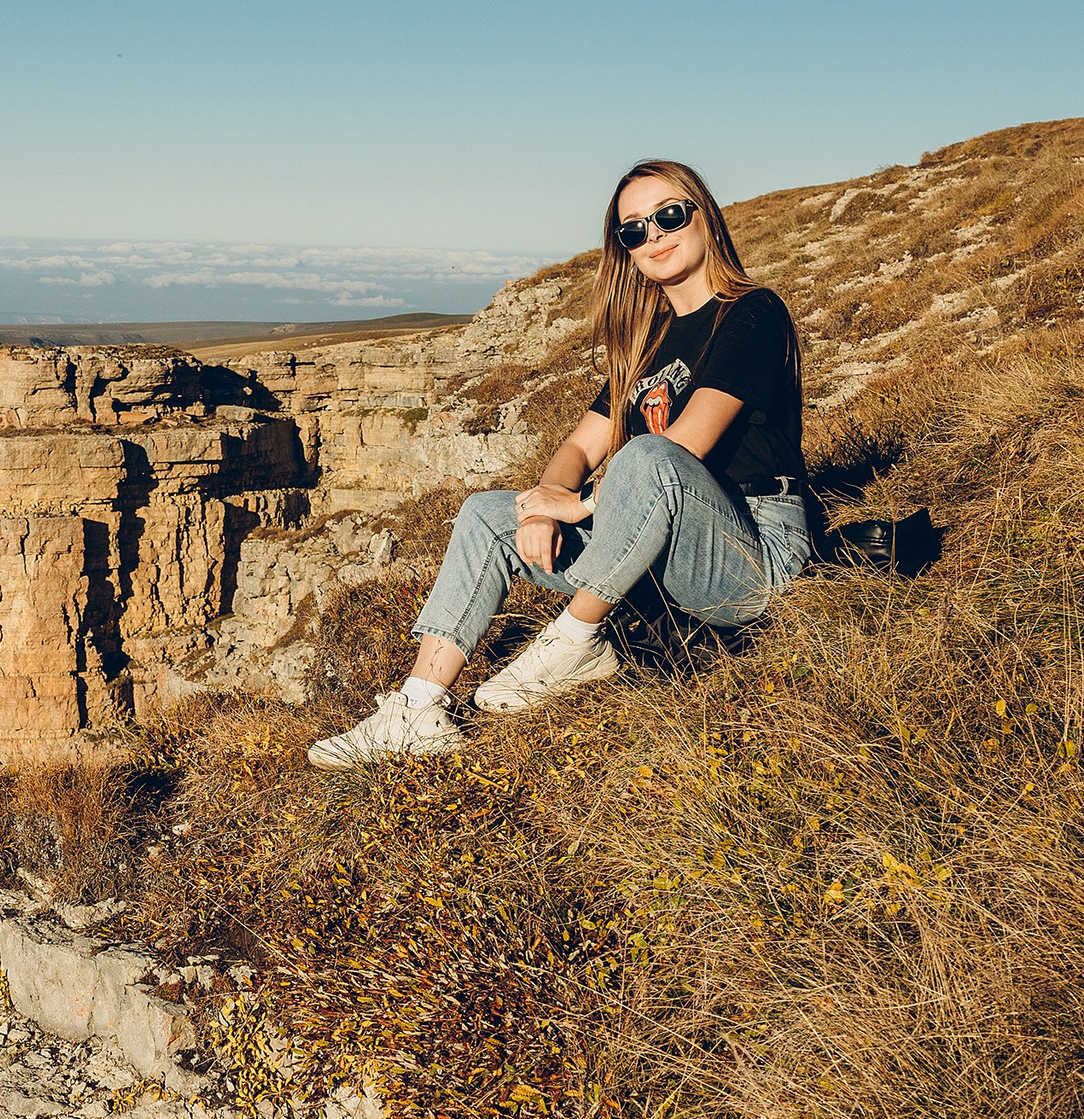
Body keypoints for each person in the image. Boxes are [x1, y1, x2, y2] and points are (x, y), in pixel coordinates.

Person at [310, 159, 814, 768]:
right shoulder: (649, 342)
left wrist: (579, 505)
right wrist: (547, 500)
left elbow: (682, 448)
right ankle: (420, 708)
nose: (654, 235)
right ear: (625, 250)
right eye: (634, 230)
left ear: (705, 216)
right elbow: (579, 447)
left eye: (669, 216)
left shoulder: (753, 313)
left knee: (649, 452)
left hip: (753, 554)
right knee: (487, 515)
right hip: (661, 545)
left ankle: (575, 639)